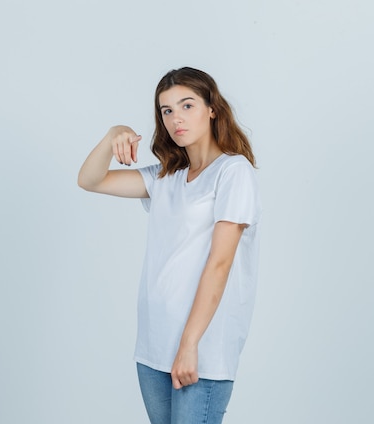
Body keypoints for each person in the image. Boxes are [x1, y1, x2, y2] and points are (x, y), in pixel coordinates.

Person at [78, 67, 262, 424]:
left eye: (187, 105)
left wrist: (189, 344)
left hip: (200, 350)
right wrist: (112, 135)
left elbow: (219, 264)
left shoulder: (233, 172)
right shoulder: (165, 177)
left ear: (212, 108)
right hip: (153, 348)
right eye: (166, 111)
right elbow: (90, 180)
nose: (176, 118)